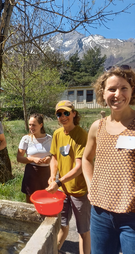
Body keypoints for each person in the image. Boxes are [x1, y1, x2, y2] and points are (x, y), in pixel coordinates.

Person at [82, 65, 135, 254]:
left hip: (132, 216)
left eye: (124, 88)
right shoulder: (98, 127)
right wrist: (91, 186)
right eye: (112, 89)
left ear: (132, 90)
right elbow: (86, 159)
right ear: (102, 92)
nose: (117, 94)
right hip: (100, 214)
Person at [46, 100, 91, 254]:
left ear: (73, 113)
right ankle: (55, 250)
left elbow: (79, 167)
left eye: (66, 113)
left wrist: (58, 182)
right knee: (63, 225)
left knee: (83, 231)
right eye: (59, 114)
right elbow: (54, 158)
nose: (63, 117)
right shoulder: (57, 134)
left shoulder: (81, 135)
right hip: (63, 190)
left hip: (79, 190)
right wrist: (53, 176)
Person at [17, 113, 52, 203]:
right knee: (30, 202)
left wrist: (49, 157)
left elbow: (55, 156)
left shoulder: (50, 139)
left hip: (46, 173)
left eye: (34, 125)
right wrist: (33, 159)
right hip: (31, 173)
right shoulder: (26, 139)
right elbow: (19, 158)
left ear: (41, 125)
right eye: (30, 125)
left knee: (46, 200)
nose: (31, 127)